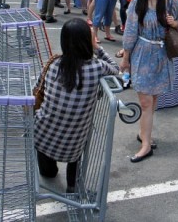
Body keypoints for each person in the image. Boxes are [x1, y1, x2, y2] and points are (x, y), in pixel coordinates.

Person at [34, 18, 119, 193]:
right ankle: (73, 186)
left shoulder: (53, 65)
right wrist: (98, 48)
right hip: (74, 140)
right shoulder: (97, 67)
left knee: (48, 172)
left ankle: (48, 170)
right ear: (87, 42)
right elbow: (115, 68)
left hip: (41, 133)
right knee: (78, 146)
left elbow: (36, 89)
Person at [120, 0, 178, 162]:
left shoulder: (171, 1)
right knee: (146, 102)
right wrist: (126, 57)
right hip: (142, 54)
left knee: (153, 100)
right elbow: (130, 31)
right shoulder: (137, 1)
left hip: (162, 55)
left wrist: (175, 23)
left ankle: (143, 133)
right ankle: (146, 144)